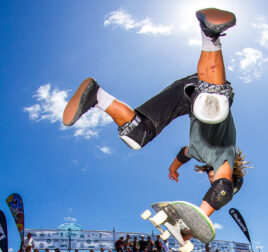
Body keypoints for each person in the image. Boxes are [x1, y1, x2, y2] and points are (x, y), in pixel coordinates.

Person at [62, 8, 250, 239]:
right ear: (233, 175)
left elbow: (185, 153)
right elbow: (223, 190)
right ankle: (210, 36)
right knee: (212, 105)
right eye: (225, 179)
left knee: (137, 135)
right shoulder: (226, 159)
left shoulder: (201, 154)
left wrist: (174, 168)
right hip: (210, 84)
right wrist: (192, 225)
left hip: (184, 95)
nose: (215, 180)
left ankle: (97, 96)